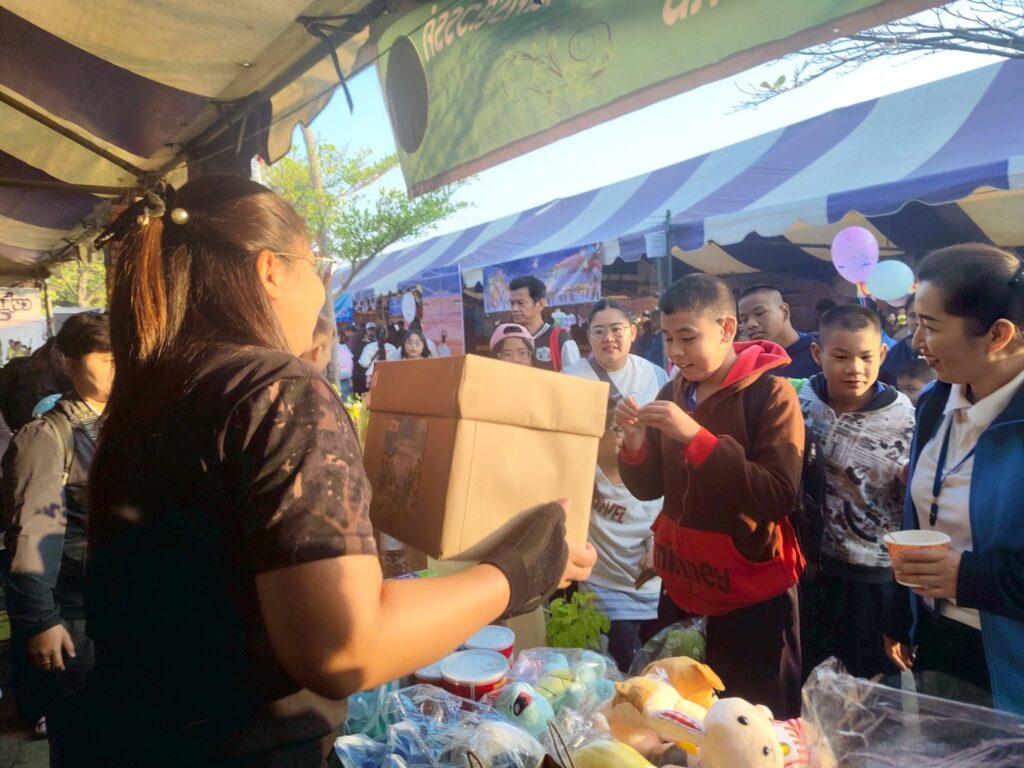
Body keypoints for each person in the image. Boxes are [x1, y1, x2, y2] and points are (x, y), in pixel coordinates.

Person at [59, 177, 595, 766]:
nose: (321, 289)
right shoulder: (276, 389)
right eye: (318, 267)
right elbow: (344, 649)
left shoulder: (152, 395)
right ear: (271, 270)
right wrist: (518, 571)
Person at [615, 275, 805, 718]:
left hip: (750, 598)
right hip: (683, 586)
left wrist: (696, 438)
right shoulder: (673, 391)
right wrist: (634, 443)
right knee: (680, 719)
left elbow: (777, 496)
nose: (675, 352)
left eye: (688, 338)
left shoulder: (771, 394)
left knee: (750, 724)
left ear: (726, 329)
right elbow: (650, 487)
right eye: (668, 338)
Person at [885, 243, 1024, 715]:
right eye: (914, 321)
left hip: (1010, 659)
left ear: (998, 335)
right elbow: (920, 515)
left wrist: (970, 578)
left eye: (931, 325)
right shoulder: (933, 401)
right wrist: (902, 617)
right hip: (939, 640)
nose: (915, 341)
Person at [2, 312, 113, 741]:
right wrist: (41, 621)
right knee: (83, 732)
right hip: (75, 615)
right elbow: (30, 534)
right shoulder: (48, 436)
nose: (118, 369)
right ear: (70, 364)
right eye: (106, 359)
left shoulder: (126, 424)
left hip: (121, 605)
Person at [797, 305, 915, 680]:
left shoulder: (905, 417)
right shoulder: (800, 402)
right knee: (810, 683)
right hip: (807, 570)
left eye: (866, 357)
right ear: (817, 353)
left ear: (882, 354)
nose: (855, 368)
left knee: (867, 689)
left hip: (872, 576)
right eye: (841, 357)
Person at [563, 300, 668, 671]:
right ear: (588, 336)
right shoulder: (571, 377)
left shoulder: (655, 375)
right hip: (593, 492)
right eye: (598, 331)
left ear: (632, 332)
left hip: (644, 493)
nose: (608, 338)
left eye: (616, 329)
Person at [738, 285, 821, 378]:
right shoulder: (751, 362)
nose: (750, 324)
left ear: (784, 311)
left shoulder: (819, 348)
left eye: (759, 313)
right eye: (744, 319)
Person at [508, 276, 580, 371]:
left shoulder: (560, 339)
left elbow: (576, 378)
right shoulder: (509, 340)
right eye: (512, 304)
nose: (514, 309)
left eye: (520, 303)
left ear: (540, 304)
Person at [880, 293, 923, 384]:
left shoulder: (950, 351)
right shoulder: (894, 355)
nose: (918, 322)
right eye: (912, 316)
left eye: (924, 316)